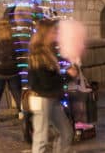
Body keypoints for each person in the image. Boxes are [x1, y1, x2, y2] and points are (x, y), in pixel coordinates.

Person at [27, 19, 75, 153]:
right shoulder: (38, 54)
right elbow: (47, 82)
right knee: (41, 138)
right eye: (53, 31)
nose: (56, 34)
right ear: (45, 33)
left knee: (66, 132)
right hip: (41, 98)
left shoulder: (49, 50)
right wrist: (68, 76)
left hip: (52, 97)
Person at [0, 18, 22, 124]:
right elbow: (19, 54)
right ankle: (22, 114)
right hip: (13, 71)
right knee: (17, 94)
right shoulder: (15, 38)